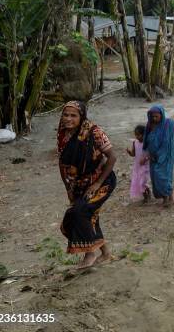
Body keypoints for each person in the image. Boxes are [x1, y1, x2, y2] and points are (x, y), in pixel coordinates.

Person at [57, 101, 117, 268]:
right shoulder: (63, 135)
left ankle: (89, 254)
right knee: (89, 217)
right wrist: (68, 188)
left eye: (73, 115)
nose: (68, 119)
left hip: (102, 181)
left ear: (81, 116)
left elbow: (112, 157)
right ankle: (105, 253)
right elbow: (63, 163)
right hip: (78, 185)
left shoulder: (94, 132)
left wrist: (97, 184)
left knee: (80, 213)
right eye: (65, 114)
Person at [143, 105, 174, 208]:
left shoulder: (170, 124)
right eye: (152, 116)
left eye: (156, 116)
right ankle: (166, 197)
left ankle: (169, 196)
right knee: (155, 178)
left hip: (167, 156)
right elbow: (146, 140)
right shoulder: (150, 125)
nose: (154, 119)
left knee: (163, 177)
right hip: (154, 157)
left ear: (162, 115)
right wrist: (146, 155)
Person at [127, 125, 150, 204]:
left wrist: (146, 159)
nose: (137, 136)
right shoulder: (135, 142)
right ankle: (147, 193)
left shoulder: (147, 143)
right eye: (136, 135)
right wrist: (130, 152)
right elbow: (134, 154)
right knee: (139, 182)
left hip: (145, 166)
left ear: (144, 134)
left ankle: (146, 197)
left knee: (142, 182)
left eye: (139, 134)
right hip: (137, 166)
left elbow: (150, 154)